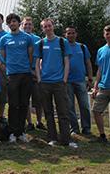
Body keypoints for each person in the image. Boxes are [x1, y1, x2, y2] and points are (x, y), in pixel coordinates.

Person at [34, 18, 77, 148]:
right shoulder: (40, 43)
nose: (47, 28)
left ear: (53, 26)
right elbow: (36, 63)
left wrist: (64, 79)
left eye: (49, 26)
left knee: (63, 112)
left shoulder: (62, 42)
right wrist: (39, 79)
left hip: (59, 83)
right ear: (42, 29)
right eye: (45, 27)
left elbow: (67, 62)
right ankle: (52, 138)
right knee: (48, 112)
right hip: (45, 83)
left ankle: (66, 140)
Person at [0, 13, 33, 143]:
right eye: (10, 22)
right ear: (7, 25)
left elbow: (30, 55)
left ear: (19, 23)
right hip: (12, 75)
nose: (12, 24)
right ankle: (13, 132)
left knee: (24, 104)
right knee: (13, 105)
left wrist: (27, 69)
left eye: (14, 21)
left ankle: (21, 132)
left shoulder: (27, 38)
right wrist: (7, 71)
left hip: (25, 74)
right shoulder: (4, 39)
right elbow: (3, 58)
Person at [64, 26, 93, 135]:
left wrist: (90, 78)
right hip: (67, 81)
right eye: (68, 33)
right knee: (70, 106)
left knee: (84, 105)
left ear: (76, 34)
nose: (70, 35)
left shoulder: (82, 47)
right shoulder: (63, 47)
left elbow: (88, 63)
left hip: (81, 80)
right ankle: (74, 129)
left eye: (72, 33)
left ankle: (86, 128)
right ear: (65, 35)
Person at [21, 17, 45, 131]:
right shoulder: (20, 38)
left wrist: (38, 71)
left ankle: (39, 122)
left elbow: (41, 56)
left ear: (33, 26)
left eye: (30, 24)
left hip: (36, 73)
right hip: (24, 72)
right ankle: (29, 123)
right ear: (22, 25)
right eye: (25, 24)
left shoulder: (38, 39)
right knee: (25, 100)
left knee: (38, 99)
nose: (27, 26)